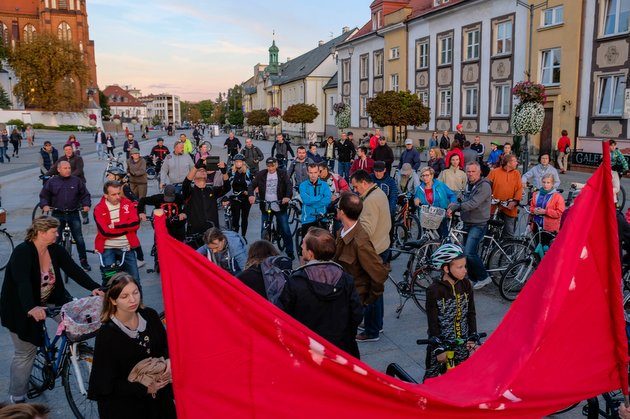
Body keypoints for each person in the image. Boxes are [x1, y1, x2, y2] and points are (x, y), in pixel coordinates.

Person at [0, 216, 101, 404]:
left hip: (53, 300)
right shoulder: (23, 252)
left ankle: (70, 354)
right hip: (21, 306)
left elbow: (73, 270)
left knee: (74, 324)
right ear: (41, 232)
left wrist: (94, 287)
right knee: (26, 352)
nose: (58, 234)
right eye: (54, 231)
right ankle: (17, 397)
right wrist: (31, 307)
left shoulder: (55, 249)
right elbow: (21, 282)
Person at [88, 273, 175, 419]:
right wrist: (144, 389)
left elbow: (166, 347)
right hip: (129, 407)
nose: (133, 299)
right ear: (113, 300)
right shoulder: (107, 335)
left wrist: (168, 362)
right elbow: (105, 384)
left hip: (161, 400)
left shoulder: (150, 315)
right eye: (124, 296)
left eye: (135, 293)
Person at [279, 228, 363, 358]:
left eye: (304, 244)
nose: (301, 246)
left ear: (311, 253)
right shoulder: (346, 279)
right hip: (341, 349)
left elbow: (283, 316)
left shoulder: (295, 282)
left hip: (308, 351)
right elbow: (357, 314)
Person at [424, 244, 477, 381]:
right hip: (443, 346)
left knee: (460, 380)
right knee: (432, 381)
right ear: (446, 268)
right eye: (459, 267)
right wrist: (437, 347)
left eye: (465, 266)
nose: (464, 270)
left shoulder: (466, 285)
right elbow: (433, 322)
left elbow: (471, 312)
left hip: (462, 344)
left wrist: (472, 335)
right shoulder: (434, 290)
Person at [350, 170, 391, 342]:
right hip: (382, 246)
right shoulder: (378, 193)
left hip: (374, 250)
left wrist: (350, 227)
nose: (355, 189)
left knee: (370, 291)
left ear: (364, 182)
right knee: (377, 289)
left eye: (356, 186)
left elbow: (366, 230)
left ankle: (371, 331)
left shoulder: (371, 200)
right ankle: (376, 324)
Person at [334, 192, 388, 309]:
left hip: (352, 301)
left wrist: (366, 301)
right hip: (341, 296)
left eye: (337, 207)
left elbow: (379, 274)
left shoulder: (360, 242)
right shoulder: (341, 232)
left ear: (342, 212)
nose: (336, 210)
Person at [447, 162, 493, 289]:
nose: (470, 174)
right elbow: (461, 197)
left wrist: (457, 207)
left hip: (478, 223)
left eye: (473, 172)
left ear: (479, 173)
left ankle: (484, 277)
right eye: (468, 171)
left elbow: (473, 203)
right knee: (467, 253)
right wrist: (452, 204)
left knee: (469, 252)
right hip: (468, 222)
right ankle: (473, 278)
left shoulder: (484, 186)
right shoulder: (469, 184)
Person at [39, 161, 92, 271]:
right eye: (65, 168)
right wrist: (45, 205)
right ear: (59, 169)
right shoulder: (52, 182)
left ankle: (83, 260)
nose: (68, 170)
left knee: (79, 238)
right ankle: (50, 261)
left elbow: (85, 195)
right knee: (54, 239)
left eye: (69, 168)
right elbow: (44, 195)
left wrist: (86, 205)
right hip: (57, 214)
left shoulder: (76, 181)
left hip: (73, 213)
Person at [93, 181, 142, 287]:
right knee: (109, 282)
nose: (118, 197)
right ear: (106, 195)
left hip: (126, 247)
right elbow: (104, 232)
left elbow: (136, 223)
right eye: (113, 194)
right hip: (107, 248)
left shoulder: (128, 204)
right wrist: (127, 229)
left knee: (135, 281)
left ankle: (139, 304)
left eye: (119, 193)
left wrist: (116, 225)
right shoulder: (98, 209)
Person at [248, 157, 295, 259]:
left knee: (285, 229)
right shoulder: (261, 174)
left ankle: (290, 251)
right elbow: (251, 185)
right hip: (266, 205)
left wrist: (287, 197)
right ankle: (263, 253)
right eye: (268, 166)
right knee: (263, 230)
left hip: (279, 205)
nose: (270, 168)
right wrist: (251, 195)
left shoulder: (282, 173)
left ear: (276, 165)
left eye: (272, 166)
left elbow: (289, 186)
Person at [183, 160, 230, 238]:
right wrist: (196, 167)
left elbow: (227, 187)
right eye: (199, 170)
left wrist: (224, 172)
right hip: (195, 233)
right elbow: (186, 183)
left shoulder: (212, 190)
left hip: (212, 232)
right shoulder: (189, 192)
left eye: (204, 170)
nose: (203, 171)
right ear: (194, 175)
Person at [487, 154, 523, 238]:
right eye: (515, 161)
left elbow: (519, 189)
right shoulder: (494, 172)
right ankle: (488, 249)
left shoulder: (516, 173)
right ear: (508, 163)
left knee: (509, 233)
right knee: (489, 231)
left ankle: (508, 250)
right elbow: (486, 186)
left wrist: (515, 201)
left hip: (509, 207)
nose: (516, 163)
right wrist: (489, 198)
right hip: (494, 206)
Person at [415, 166, 457, 238]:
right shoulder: (419, 189)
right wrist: (416, 200)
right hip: (427, 217)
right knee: (427, 239)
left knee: (444, 238)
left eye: (427, 175)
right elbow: (417, 200)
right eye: (423, 175)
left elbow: (452, 195)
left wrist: (452, 205)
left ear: (432, 175)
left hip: (440, 215)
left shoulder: (440, 185)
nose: (425, 177)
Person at [299, 163, 332, 238]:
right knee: (306, 246)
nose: (313, 175)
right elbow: (306, 201)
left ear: (318, 172)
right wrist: (320, 197)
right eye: (311, 172)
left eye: (315, 172)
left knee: (323, 245)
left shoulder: (324, 185)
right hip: (307, 219)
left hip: (322, 218)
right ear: (307, 172)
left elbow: (327, 200)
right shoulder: (303, 185)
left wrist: (312, 201)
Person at [227, 154, 252, 236]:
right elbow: (228, 184)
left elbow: (252, 184)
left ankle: (243, 236)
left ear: (243, 163)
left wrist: (249, 192)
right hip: (235, 197)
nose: (238, 163)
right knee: (236, 219)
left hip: (245, 198)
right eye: (236, 162)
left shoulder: (248, 172)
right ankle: (236, 236)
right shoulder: (232, 172)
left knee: (245, 218)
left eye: (240, 162)